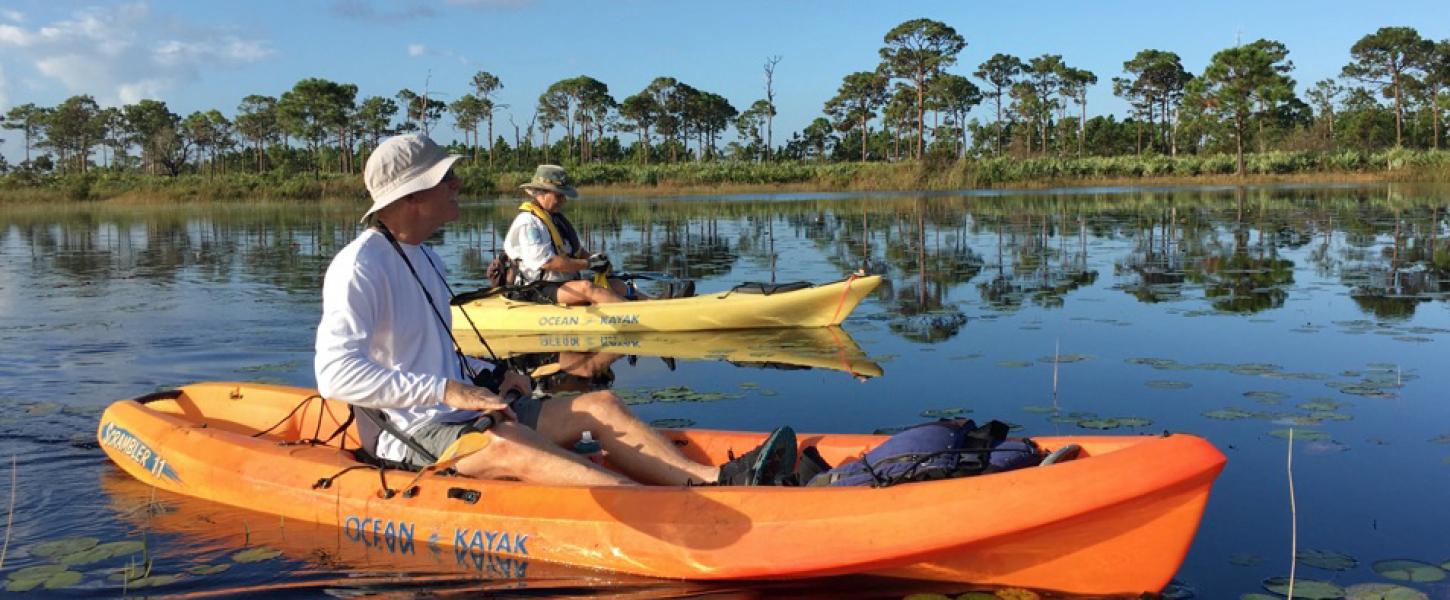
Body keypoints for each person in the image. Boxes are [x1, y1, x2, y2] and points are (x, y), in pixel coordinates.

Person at [315, 133, 793, 487]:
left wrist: (490, 375)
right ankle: (661, 509)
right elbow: (335, 374)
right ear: (414, 196)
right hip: (412, 432)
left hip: (464, 412)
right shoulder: (360, 265)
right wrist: (446, 390)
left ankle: (712, 482)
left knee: (599, 403)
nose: (457, 183)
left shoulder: (424, 255)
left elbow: (433, 351)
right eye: (446, 179)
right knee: (511, 444)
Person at [503, 165, 642, 305]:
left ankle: (656, 304)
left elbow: (577, 252)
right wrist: (588, 264)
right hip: (535, 288)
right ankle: (640, 318)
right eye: (559, 195)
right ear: (541, 193)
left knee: (616, 284)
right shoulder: (528, 223)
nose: (564, 200)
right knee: (586, 288)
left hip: (562, 284)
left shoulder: (554, 219)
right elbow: (547, 262)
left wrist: (597, 261)